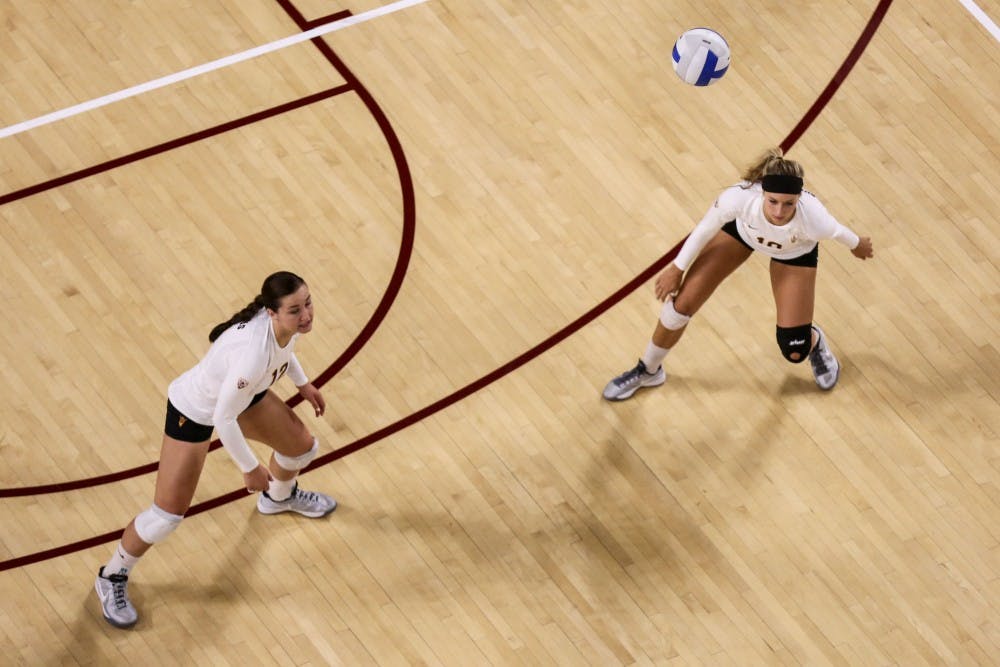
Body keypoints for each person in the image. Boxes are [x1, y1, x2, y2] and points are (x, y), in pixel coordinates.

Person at [94, 270, 337, 628]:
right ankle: (112, 575)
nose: (306, 315)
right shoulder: (251, 355)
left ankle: (279, 498)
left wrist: (303, 385)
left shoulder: (282, 326)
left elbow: (285, 350)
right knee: (166, 517)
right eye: (295, 310)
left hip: (243, 398)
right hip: (195, 412)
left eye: (309, 303)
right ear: (272, 312)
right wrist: (250, 467)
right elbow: (223, 418)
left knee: (301, 448)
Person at [603, 148, 874, 401]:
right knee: (681, 305)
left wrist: (859, 245)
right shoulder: (739, 198)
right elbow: (704, 229)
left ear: (799, 200)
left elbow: (842, 234)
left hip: (794, 253)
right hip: (742, 235)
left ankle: (813, 342)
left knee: (794, 349)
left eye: (788, 204)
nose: (779, 212)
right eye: (773, 202)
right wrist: (677, 268)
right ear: (761, 194)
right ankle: (648, 371)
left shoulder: (815, 219)